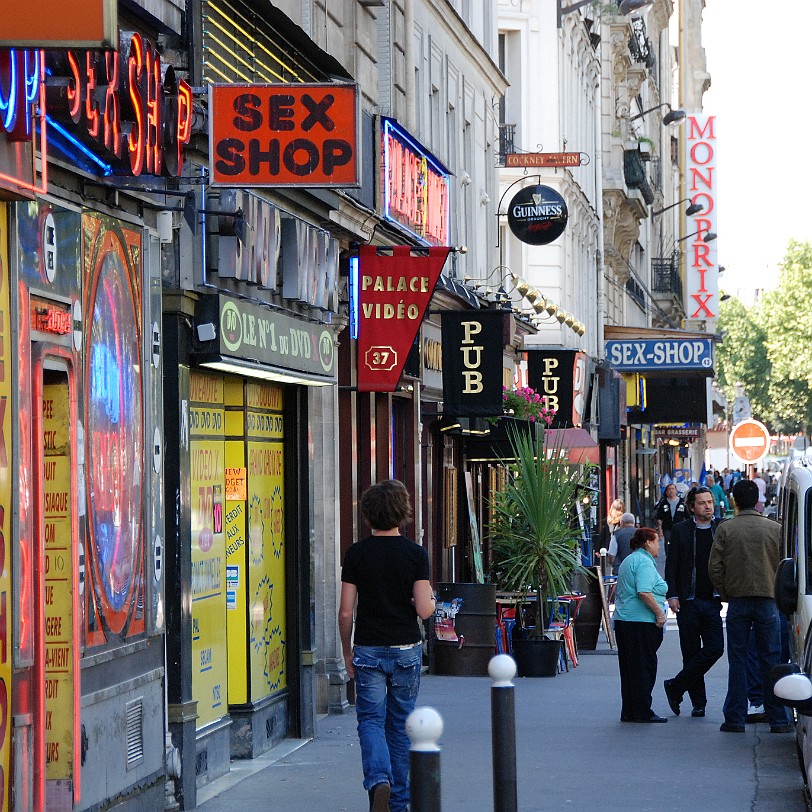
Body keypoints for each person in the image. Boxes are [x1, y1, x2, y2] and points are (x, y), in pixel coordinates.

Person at [339, 480, 436, 811]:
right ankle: (398, 801)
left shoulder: (356, 553)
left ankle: (378, 779)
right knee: (399, 724)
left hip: (368, 648)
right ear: (403, 512)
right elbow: (424, 609)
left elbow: (345, 611)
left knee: (369, 719)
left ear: (368, 515)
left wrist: (347, 652)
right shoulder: (415, 554)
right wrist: (432, 600)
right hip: (406, 649)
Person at [708, 479, 792, 733]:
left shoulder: (726, 528)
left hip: (739, 601)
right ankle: (777, 718)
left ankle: (735, 717)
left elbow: (714, 567)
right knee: (771, 659)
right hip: (768, 600)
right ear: (758, 500)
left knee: (738, 659)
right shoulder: (774, 529)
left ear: (733, 500)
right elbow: (787, 563)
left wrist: (726, 591)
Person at [662, 486, 724, 718]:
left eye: (710, 502)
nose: (708, 506)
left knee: (715, 648)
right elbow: (672, 565)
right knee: (690, 652)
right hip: (687, 601)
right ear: (691, 507)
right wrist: (673, 594)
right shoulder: (681, 530)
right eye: (702, 503)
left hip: (712, 600)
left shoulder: (721, 528)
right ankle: (699, 703)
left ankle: (676, 686)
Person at [614, 527, 669, 723]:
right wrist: (659, 613)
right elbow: (644, 591)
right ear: (647, 542)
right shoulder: (645, 563)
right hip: (640, 621)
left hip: (624, 619)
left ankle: (629, 709)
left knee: (629, 668)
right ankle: (642, 710)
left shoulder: (629, 560)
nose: (658, 547)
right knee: (644, 667)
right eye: (656, 542)